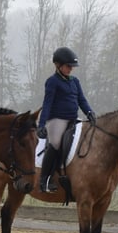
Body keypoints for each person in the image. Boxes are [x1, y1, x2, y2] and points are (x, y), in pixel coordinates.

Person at [37, 47, 96, 193]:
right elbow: (47, 103)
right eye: (68, 66)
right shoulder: (52, 82)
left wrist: (89, 112)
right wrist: (42, 124)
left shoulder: (75, 81)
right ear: (58, 65)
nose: (71, 69)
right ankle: (44, 179)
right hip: (57, 120)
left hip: (73, 119)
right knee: (56, 143)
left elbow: (81, 99)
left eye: (72, 67)